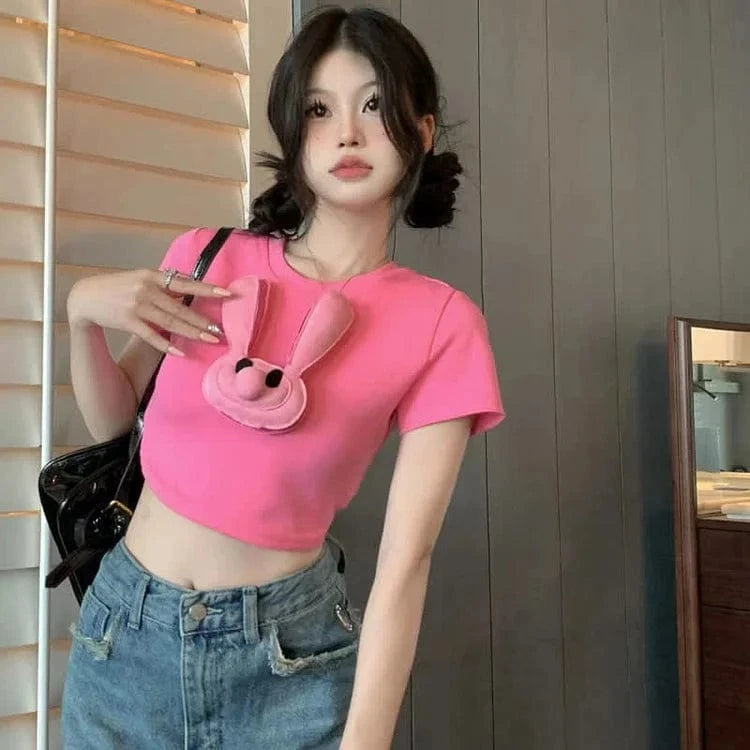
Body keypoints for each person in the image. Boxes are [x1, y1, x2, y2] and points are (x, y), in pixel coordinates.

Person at [60, 6, 505, 749]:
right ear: (294, 135)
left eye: (374, 106)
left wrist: (364, 743)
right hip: (124, 639)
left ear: (422, 130)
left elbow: (406, 563)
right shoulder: (208, 257)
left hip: (288, 663)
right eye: (319, 110)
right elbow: (113, 422)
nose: (348, 134)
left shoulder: (441, 323)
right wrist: (80, 314)